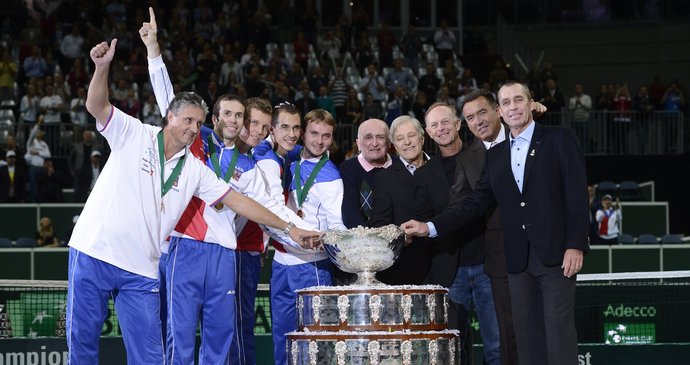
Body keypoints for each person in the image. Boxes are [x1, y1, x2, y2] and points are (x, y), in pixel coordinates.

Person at [67, 37, 318, 364]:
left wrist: (290, 228)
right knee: (82, 346)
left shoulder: (195, 171)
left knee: (151, 357)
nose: (192, 128)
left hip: (141, 267)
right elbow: (97, 107)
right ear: (169, 116)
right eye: (188, 120)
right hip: (95, 250)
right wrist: (103, 68)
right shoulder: (135, 133)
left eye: (197, 123)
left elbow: (241, 202)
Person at [141, 10, 315, 364]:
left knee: (221, 341)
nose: (235, 121)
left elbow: (268, 205)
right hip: (186, 246)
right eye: (229, 114)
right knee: (180, 336)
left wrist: (295, 229)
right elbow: (168, 100)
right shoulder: (196, 140)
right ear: (215, 118)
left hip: (224, 253)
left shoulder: (250, 168)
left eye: (241, 116)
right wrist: (153, 49)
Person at [403, 81, 588, 365]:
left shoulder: (559, 138)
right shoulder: (496, 156)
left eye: (518, 100)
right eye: (507, 102)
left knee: (558, 333)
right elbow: (473, 203)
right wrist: (430, 227)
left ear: (529, 103)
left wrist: (575, 244)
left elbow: (576, 194)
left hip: (556, 257)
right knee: (526, 339)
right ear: (501, 110)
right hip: (515, 262)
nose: (513, 107)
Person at [275, 109, 346, 365]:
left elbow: (338, 226)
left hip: (311, 265)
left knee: (314, 342)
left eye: (326, 136)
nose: (319, 141)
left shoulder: (330, 175)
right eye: (314, 133)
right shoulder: (291, 160)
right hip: (280, 261)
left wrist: (327, 243)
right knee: (281, 338)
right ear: (303, 134)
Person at [369, 115, 431, 285]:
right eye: (400, 139)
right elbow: (378, 224)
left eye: (411, 136)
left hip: (447, 261)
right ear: (394, 146)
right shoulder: (384, 179)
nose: (407, 142)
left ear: (422, 137)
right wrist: (399, 236)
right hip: (407, 267)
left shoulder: (441, 166)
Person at [340, 118, 392, 228]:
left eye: (380, 137)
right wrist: (368, 241)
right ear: (358, 144)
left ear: (389, 142)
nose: (374, 143)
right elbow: (349, 212)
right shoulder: (348, 169)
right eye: (368, 137)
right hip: (363, 240)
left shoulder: (399, 166)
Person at [24, 119, 51, 202]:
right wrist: (38, 123)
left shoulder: (44, 144)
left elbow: (48, 155)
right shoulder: (31, 143)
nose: (38, 133)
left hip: (43, 169)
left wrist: (37, 153)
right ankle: (33, 206)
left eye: (40, 131)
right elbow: (32, 134)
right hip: (34, 169)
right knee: (34, 189)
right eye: (37, 131)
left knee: (43, 189)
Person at [68, 129, 99, 202]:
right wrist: (72, 170)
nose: (87, 136)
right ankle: (76, 205)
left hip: (92, 170)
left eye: (89, 134)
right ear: (83, 136)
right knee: (78, 190)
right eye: (86, 134)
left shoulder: (96, 146)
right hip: (79, 171)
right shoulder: (76, 146)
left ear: (91, 136)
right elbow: (70, 158)